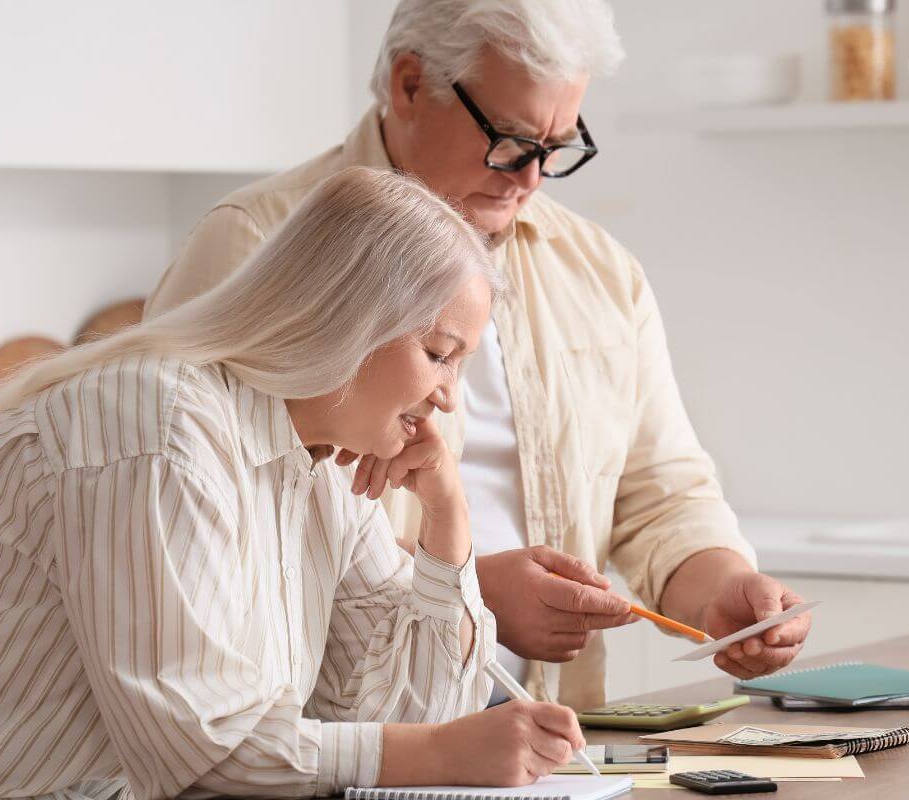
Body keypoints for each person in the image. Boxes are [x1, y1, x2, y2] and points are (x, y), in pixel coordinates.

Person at [147, 0, 812, 710]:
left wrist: (720, 589)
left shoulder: (600, 273)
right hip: (326, 738)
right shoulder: (258, 244)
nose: (532, 178)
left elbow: (661, 494)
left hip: (544, 736)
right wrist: (468, 586)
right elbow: (196, 522)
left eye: (558, 147)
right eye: (512, 140)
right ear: (409, 85)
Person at [0, 168, 587, 800]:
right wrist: (434, 754)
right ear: (349, 317)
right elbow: (199, 753)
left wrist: (447, 511)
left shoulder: (326, 465)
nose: (447, 398)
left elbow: (408, 712)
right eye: (439, 355)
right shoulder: (157, 425)